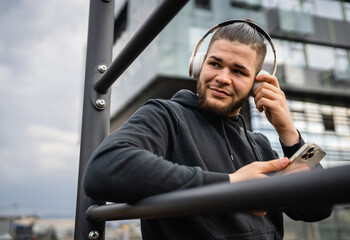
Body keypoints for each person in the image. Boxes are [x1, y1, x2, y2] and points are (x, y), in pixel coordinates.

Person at [83, 21, 332, 239]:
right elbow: (104, 168)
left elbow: (316, 209)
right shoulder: (165, 116)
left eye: (238, 71)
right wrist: (229, 186)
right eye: (215, 63)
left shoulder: (261, 146)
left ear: (257, 83)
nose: (223, 77)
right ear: (199, 65)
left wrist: (287, 130)